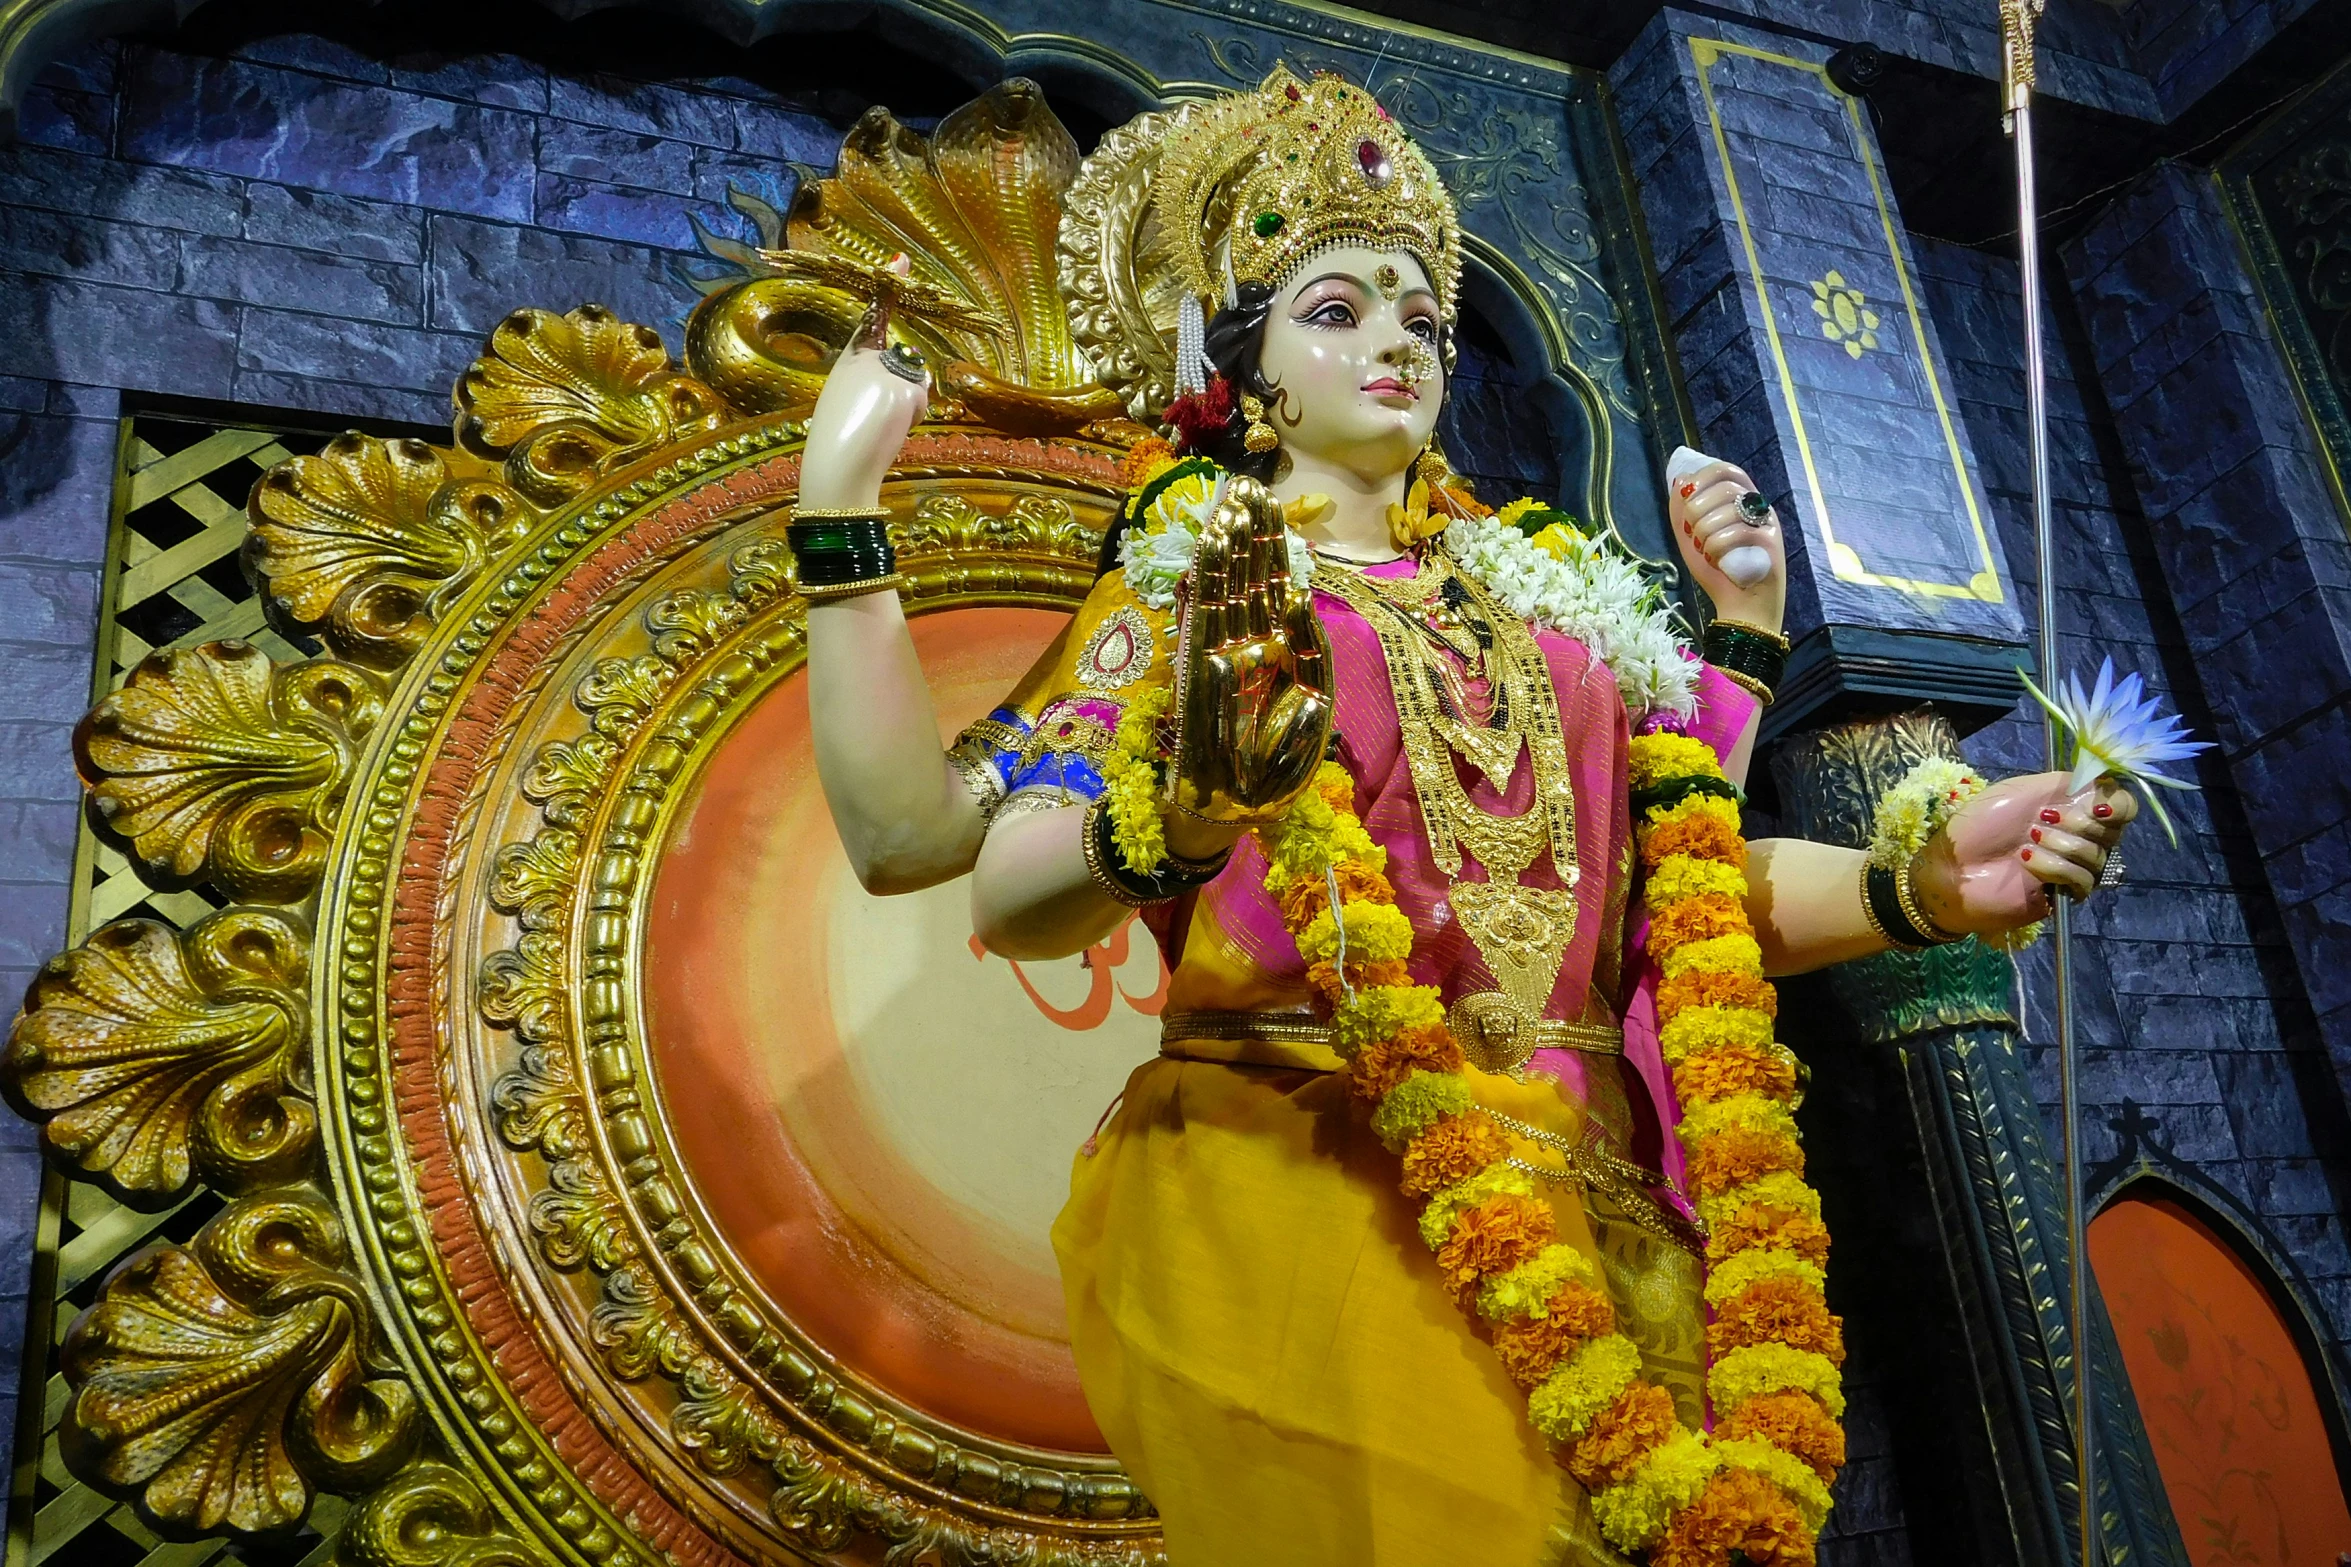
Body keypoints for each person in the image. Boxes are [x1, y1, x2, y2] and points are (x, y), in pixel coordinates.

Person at [783, 68, 2130, 1567]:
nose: (1398, 345)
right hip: (1313, 1179)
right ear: (1247, 368)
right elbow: (962, 864)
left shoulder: (1560, 611)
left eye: (1423, 319)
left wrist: (1919, 884)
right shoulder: (1204, 581)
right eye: (1337, 309)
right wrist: (846, 514)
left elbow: (1676, 902)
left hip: (1605, 1224)